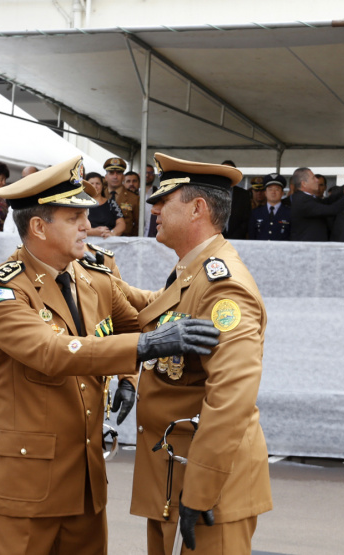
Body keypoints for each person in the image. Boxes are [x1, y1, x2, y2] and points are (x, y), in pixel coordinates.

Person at [0, 156, 220, 554]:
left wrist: (212, 284)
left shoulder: (92, 277)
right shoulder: (1, 293)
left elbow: (144, 314)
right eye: (74, 217)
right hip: (21, 493)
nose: (88, 225)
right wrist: (146, 348)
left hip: (84, 488)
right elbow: (51, 352)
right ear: (38, 226)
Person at [130, 152, 272, 555]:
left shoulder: (224, 285)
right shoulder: (194, 270)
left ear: (197, 209)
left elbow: (232, 396)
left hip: (209, 489)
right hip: (177, 472)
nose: (153, 207)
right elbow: (157, 305)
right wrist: (94, 281)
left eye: (164, 200)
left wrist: (201, 491)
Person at [290, 167, 344, 241]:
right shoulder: (302, 200)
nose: (317, 180)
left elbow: (327, 202)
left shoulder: (307, 197)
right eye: (313, 178)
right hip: (308, 249)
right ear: (304, 184)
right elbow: (331, 210)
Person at [248, 173, 291, 240]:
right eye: (270, 189)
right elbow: (252, 236)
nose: (273, 192)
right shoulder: (256, 213)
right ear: (265, 193)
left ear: (282, 193)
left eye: (277, 189)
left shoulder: (290, 213)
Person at [106, 157, 141, 237]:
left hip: (125, 242)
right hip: (101, 240)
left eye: (118, 173)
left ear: (123, 177)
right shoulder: (100, 195)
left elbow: (138, 224)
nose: (115, 176)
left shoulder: (134, 198)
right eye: (111, 173)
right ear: (106, 177)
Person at [86, 171, 126, 238]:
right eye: (91, 183)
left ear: (102, 185)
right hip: (87, 245)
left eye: (98, 183)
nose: (95, 186)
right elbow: (75, 227)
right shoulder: (80, 204)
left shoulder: (111, 203)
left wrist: (112, 233)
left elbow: (121, 223)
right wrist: (93, 232)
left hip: (109, 243)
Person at [221, 160, 252, 240]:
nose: (227, 174)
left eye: (230, 171)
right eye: (224, 171)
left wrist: (235, 237)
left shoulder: (244, 194)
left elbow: (246, 219)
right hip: (216, 240)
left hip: (237, 240)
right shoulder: (211, 193)